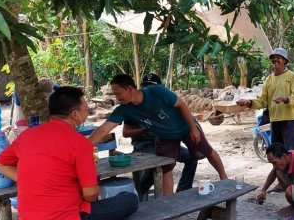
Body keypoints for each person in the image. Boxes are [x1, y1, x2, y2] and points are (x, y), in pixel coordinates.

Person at [0, 87, 138, 220]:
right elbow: (91, 194)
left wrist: (29, 180)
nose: (87, 113)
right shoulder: (79, 143)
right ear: (75, 114)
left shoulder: (27, 135)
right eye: (85, 109)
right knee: (130, 199)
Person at [89, 74, 227, 196]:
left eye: (118, 93)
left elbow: (182, 105)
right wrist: (84, 147)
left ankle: (224, 178)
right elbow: (102, 130)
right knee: (166, 168)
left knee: (206, 151)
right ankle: (169, 203)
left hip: (185, 126)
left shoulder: (157, 91)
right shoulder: (124, 110)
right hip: (164, 135)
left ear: (129, 89)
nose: (117, 98)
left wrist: (193, 128)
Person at [124, 73, 198, 197]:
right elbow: (125, 133)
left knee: (192, 156)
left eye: (152, 87)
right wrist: (144, 129)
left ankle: (183, 191)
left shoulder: (165, 103)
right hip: (144, 144)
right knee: (155, 165)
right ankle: (137, 194)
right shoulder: (134, 105)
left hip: (163, 143)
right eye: (145, 86)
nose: (149, 89)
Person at [236, 48, 294, 150]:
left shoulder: (293, 77)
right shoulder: (269, 79)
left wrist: (285, 99)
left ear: (285, 60)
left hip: (290, 120)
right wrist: (249, 102)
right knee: (277, 151)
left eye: (278, 57)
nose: (275, 60)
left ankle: (291, 166)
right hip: (274, 120)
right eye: (273, 58)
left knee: (289, 151)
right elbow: (262, 101)